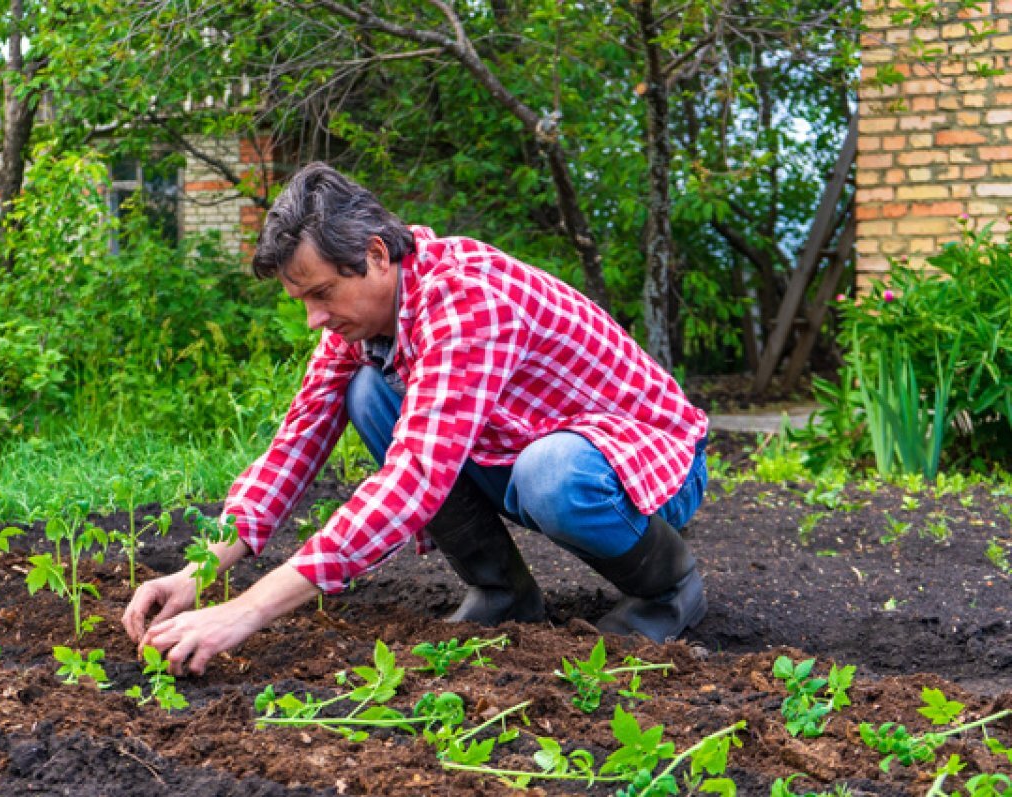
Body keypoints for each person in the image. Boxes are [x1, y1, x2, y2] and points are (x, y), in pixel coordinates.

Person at [122, 162, 710, 675]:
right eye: (302, 301)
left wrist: (244, 611)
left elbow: (414, 482)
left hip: (652, 468)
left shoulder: (468, 301)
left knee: (550, 473)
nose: (312, 320)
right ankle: (502, 592)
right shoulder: (366, 321)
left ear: (376, 255)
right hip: (523, 447)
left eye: (322, 294)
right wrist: (198, 572)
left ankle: (669, 591)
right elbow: (292, 450)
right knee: (370, 393)